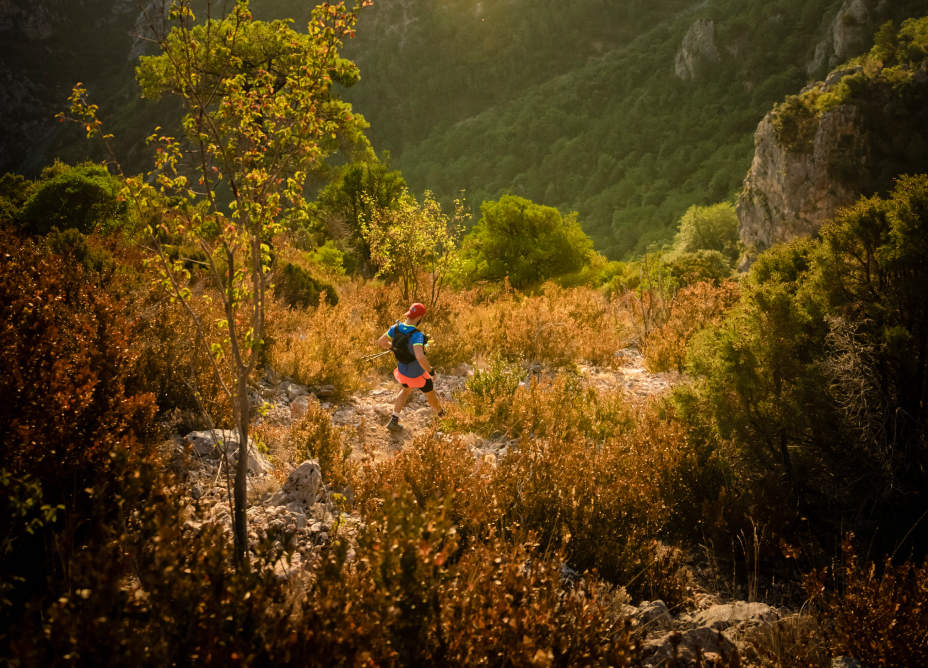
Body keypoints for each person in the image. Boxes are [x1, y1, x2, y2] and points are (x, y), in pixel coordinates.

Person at [376, 302, 443, 431]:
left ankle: (394, 420)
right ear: (419, 317)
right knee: (430, 393)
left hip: (402, 372)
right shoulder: (417, 335)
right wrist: (431, 371)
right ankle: (441, 415)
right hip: (416, 374)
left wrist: (395, 349)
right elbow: (420, 357)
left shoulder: (395, 328)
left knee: (405, 390)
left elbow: (381, 342)